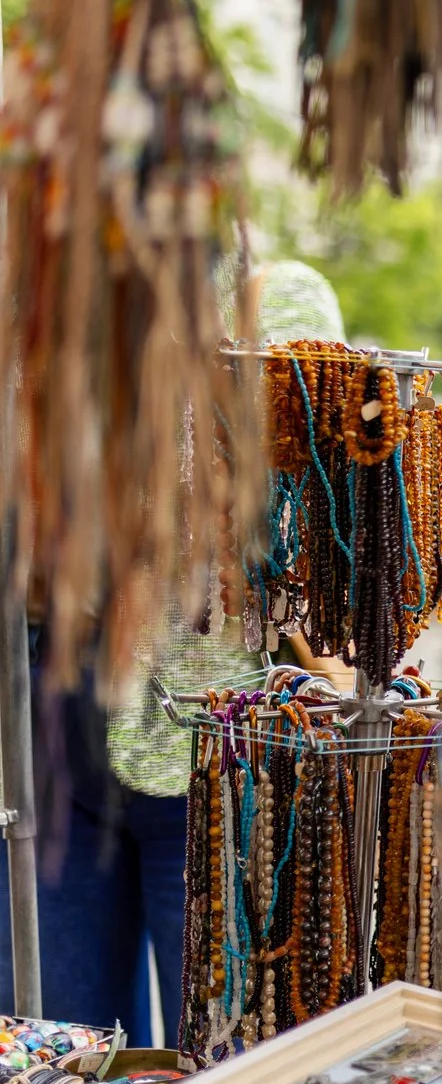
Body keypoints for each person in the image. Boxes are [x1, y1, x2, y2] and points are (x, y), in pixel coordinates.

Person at [0, 260, 351, 1037]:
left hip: (214, 747)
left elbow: (315, 510)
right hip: (47, 748)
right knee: (62, 1056)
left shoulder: (279, 296)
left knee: (224, 1052)